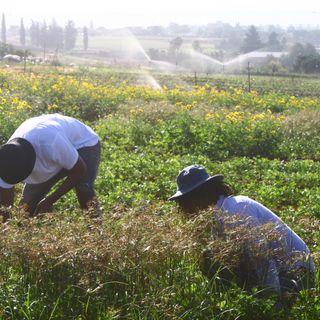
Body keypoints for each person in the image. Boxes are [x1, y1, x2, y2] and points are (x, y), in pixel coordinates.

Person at [168, 164, 315, 306]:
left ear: (200, 196)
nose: (183, 208)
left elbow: (262, 258)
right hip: (273, 272)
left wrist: (271, 302)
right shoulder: (217, 215)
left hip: (296, 275)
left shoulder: (236, 210)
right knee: (210, 259)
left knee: (214, 262)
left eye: (185, 201)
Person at [0, 113, 101, 219]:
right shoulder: (7, 157)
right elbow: (5, 198)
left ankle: (95, 226)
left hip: (83, 144)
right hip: (55, 149)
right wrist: (7, 222)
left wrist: (50, 200)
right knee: (27, 205)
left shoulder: (50, 142)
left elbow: (79, 170)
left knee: (83, 188)